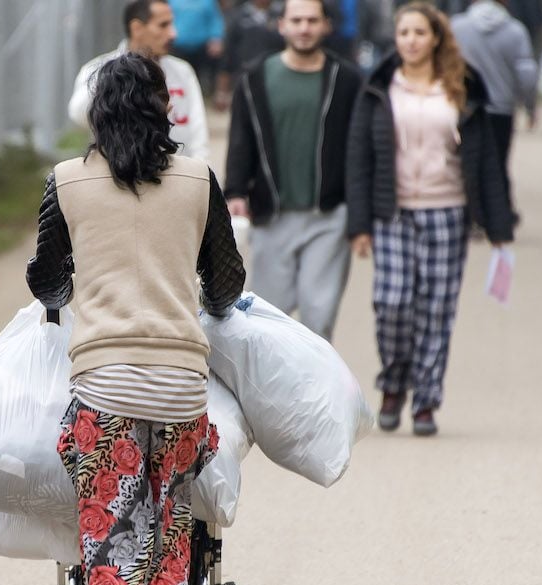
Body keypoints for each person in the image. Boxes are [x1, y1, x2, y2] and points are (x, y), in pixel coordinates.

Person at [28, 53, 244, 585]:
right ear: (165, 108)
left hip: (105, 388)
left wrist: (76, 288)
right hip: (181, 386)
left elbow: (47, 281)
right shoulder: (199, 182)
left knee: (113, 530)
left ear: (97, 111)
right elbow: (226, 284)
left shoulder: (66, 183)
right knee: (173, 522)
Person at [347, 1, 512, 436]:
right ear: (395, 39)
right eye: (404, 34)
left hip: (447, 213)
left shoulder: (461, 86)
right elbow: (359, 158)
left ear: (436, 37)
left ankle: (425, 400)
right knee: (392, 304)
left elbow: (487, 160)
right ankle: (394, 383)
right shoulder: (379, 88)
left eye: (420, 33)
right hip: (392, 214)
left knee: (436, 311)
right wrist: (359, 225)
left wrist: (499, 229)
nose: (411, 41)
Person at [225, 0, 363, 341]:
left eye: (312, 20)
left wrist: (360, 218)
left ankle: (316, 393)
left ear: (326, 25)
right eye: (296, 20)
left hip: (329, 215)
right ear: (281, 25)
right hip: (272, 214)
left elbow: (359, 149)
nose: (304, 28)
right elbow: (241, 138)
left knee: (319, 317)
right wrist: (236, 190)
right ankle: (273, 395)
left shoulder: (346, 80)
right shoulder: (255, 78)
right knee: (269, 320)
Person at [69, 0, 210, 162]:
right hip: (119, 175)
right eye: (163, 25)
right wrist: (112, 81)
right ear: (137, 28)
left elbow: (199, 133)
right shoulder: (98, 69)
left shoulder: (182, 71)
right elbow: (78, 115)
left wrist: (203, 174)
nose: (173, 34)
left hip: (177, 177)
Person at [451, 0, 538, 224]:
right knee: (498, 163)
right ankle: (499, 214)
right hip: (502, 109)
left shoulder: (456, 27)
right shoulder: (515, 30)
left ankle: (472, 215)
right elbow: (526, 74)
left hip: (465, 108)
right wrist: (529, 106)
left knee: (467, 162)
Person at [217, 0, 287, 109]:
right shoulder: (238, 16)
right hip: (244, 76)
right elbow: (227, 56)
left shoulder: (283, 14)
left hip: (278, 77)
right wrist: (222, 91)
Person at [169, 0, 225, 96]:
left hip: (201, 47)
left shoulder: (208, 2)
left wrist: (216, 38)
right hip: (177, 47)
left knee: (198, 79)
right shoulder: (172, 2)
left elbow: (215, 20)